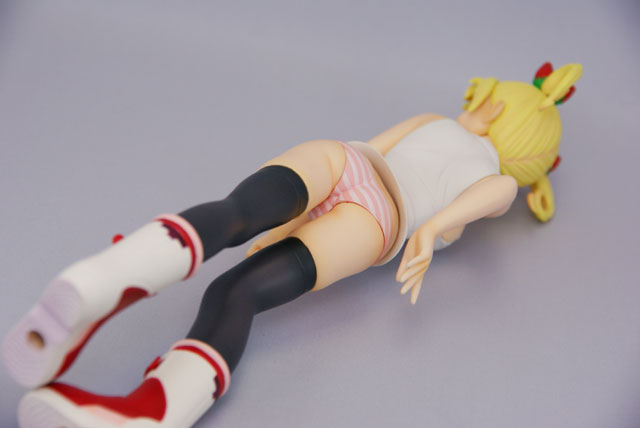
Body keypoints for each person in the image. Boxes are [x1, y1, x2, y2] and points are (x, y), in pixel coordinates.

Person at [4, 62, 582, 428]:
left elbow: (375, 151)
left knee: (235, 215)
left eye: (485, 99)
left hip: (342, 162)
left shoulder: (454, 137)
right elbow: (477, 199)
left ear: (494, 108)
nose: (477, 103)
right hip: (378, 220)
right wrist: (430, 232)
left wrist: (290, 224)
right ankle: (152, 412)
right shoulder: (495, 176)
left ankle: (104, 279)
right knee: (238, 294)